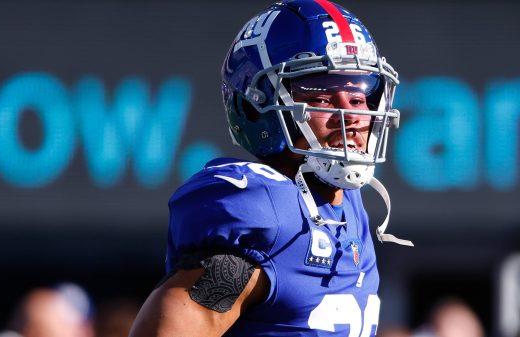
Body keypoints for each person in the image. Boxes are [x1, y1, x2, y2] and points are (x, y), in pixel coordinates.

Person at [129, 1, 412, 336]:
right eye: (322, 98)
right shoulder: (269, 215)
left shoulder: (348, 207)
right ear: (257, 105)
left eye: (359, 97)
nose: (352, 116)